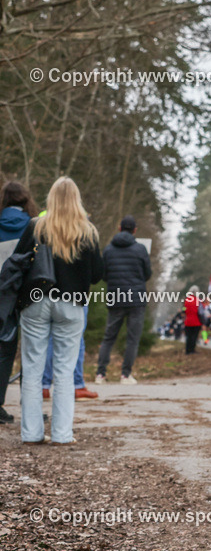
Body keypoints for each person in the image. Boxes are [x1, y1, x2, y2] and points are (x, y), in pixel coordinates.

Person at [14, 177, 103, 445]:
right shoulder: (87, 231)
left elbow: (18, 262)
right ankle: (62, 435)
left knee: (32, 369)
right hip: (71, 304)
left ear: (51, 198)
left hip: (37, 301)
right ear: (76, 199)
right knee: (64, 371)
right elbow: (98, 275)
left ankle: (31, 433)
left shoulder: (35, 227)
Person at [95, 215, 151, 385]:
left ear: (119, 228)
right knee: (132, 339)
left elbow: (103, 274)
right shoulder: (140, 249)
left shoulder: (108, 249)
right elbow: (147, 274)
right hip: (136, 299)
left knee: (109, 337)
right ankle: (125, 375)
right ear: (135, 230)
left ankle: (100, 374)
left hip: (115, 297)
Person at [0, 180, 38, 424]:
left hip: (1, 292)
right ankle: (31, 409)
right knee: (33, 349)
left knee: (3, 351)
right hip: (27, 293)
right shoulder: (34, 225)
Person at [183, 286, 202, 354]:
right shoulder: (198, 300)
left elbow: (184, 310)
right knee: (194, 336)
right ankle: (192, 350)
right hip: (196, 321)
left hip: (188, 321)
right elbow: (201, 311)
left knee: (188, 336)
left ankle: (187, 350)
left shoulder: (186, 300)